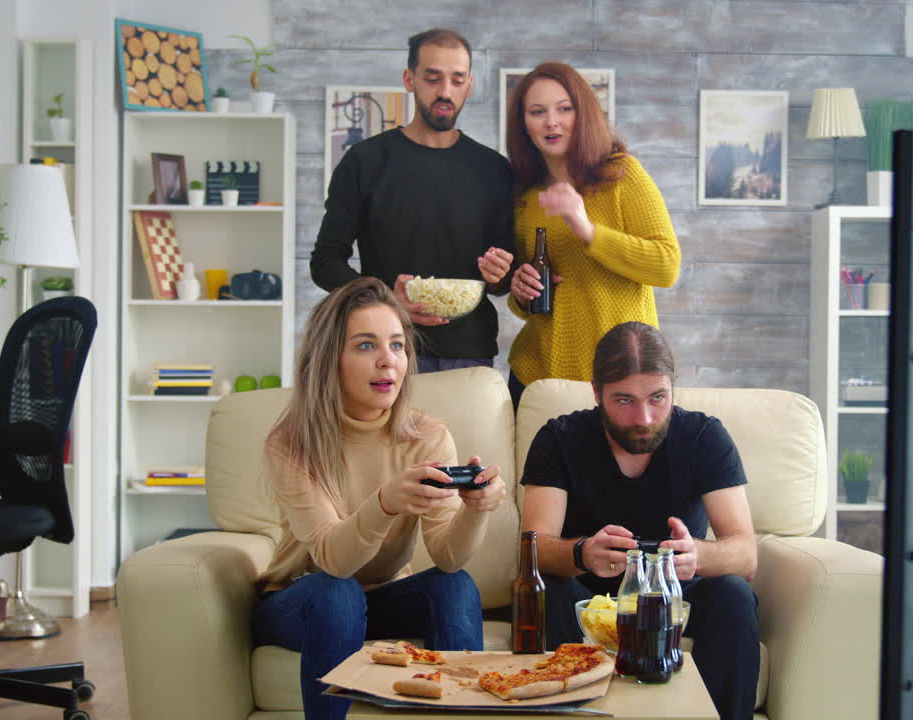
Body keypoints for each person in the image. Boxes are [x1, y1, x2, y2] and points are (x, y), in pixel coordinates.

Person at [252, 276, 508, 720]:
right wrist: (386, 502)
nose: (387, 361)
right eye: (366, 346)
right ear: (330, 359)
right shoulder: (292, 443)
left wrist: (475, 510)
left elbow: (448, 558)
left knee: (454, 585)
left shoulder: (427, 436)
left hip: (382, 599)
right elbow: (333, 561)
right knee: (337, 593)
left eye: (397, 346)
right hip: (301, 601)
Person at [519, 321, 760, 720]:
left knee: (733, 594)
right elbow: (534, 545)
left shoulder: (704, 436)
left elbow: (745, 554)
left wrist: (695, 555)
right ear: (596, 392)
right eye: (624, 400)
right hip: (587, 595)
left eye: (658, 397)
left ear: (672, 388)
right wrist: (581, 552)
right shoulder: (559, 438)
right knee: (551, 592)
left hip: (675, 597)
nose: (645, 418)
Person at [310, 28, 515, 372]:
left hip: (469, 353)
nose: (445, 91)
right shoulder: (365, 161)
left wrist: (498, 274)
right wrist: (384, 299)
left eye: (457, 79)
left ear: (469, 85)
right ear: (410, 79)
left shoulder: (494, 169)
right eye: (433, 78)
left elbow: (502, 283)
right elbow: (325, 261)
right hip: (383, 349)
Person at [504, 61, 681, 407]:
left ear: (583, 113)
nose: (551, 122)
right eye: (537, 112)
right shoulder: (526, 198)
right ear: (524, 125)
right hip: (538, 376)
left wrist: (586, 229)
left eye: (564, 109)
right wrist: (520, 292)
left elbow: (666, 265)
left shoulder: (622, 174)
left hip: (620, 377)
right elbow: (532, 303)